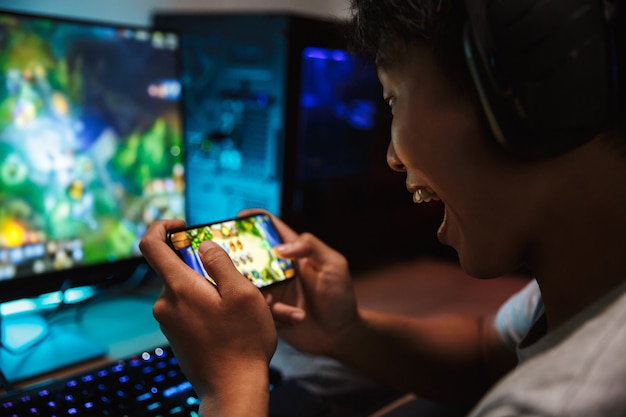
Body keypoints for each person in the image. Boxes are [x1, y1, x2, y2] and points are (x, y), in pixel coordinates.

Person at [139, 0, 626, 416]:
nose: (392, 158)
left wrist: (231, 384)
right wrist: (348, 333)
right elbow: (489, 354)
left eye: (393, 99)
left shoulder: (567, 399)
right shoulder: (591, 282)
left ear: (513, 100)